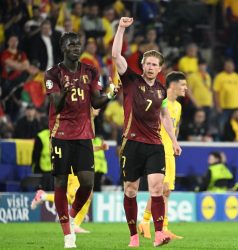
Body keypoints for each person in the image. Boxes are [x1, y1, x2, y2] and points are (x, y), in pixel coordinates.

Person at [112, 17, 181, 248]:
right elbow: (115, 56)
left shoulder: (161, 90)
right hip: (132, 143)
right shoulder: (130, 80)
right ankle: (133, 236)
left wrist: (173, 141)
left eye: (155, 65)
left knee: (157, 188)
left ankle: (159, 233)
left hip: (154, 145)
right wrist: (121, 28)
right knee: (131, 190)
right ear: (142, 64)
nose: (151, 67)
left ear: (160, 69)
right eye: (148, 63)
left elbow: (164, 116)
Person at [45, 32, 118, 248]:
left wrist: (111, 95)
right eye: (71, 44)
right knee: (60, 181)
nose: (76, 47)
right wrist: (65, 92)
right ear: (63, 48)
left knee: (87, 183)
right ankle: (68, 234)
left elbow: (95, 103)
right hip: (60, 133)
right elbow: (56, 105)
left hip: (84, 134)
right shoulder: (53, 74)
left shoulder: (90, 71)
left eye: (78, 44)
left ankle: (72, 214)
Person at [138, 71, 187, 240]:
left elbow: (176, 127)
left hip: (169, 151)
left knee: (167, 192)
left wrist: (175, 143)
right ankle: (145, 221)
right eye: (183, 85)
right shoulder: (160, 101)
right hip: (158, 149)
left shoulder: (178, 106)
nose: (185, 88)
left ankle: (164, 227)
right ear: (172, 86)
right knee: (160, 189)